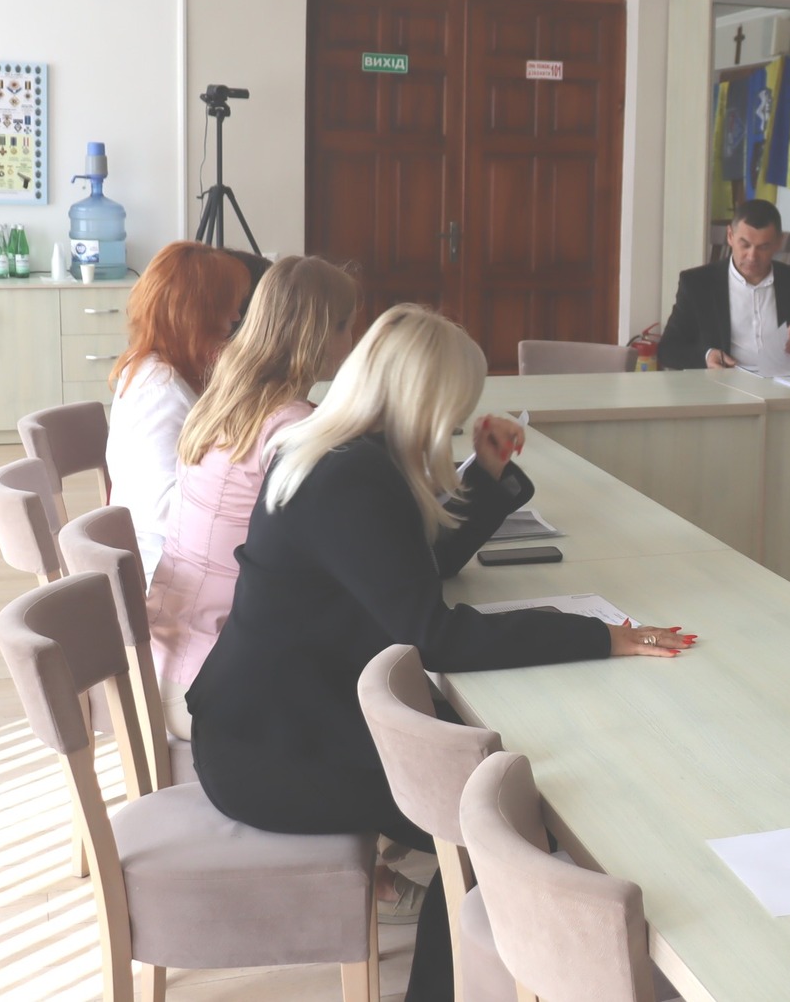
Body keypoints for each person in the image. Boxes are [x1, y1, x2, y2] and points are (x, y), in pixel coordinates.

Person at [186, 304, 694, 1002]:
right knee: (498, 832)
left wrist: (485, 473)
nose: (457, 421)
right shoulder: (349, 479)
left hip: (289, 720)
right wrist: (598, 635)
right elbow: (437, 634)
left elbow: (418, 573)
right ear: (422, 399)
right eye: (454, 407)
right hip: (272, 752)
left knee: (504, 804)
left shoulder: (341, 453)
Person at [146, 255, 359, 740]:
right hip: (211, 685)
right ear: (321, 336)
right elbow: (335, 548)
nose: (353, 341)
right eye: (347, 326)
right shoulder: (289, 427)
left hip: (167, 661)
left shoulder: (225, 400)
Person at [106, 242, 251, 582]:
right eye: (228, 306)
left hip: (174, 557)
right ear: (197, 313)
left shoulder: (159, 367)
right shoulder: (160, 389)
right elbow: (161, 510)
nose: (236, 318)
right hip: (168, 573)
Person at [656, 198, 790, 370]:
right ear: (730, 236)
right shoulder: (698, 284)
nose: (752, 256)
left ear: (778, 243)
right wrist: (707, 356)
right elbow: (668, 350)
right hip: (724, 382)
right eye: (745, 245)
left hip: (780, 382)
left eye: (763, 247)